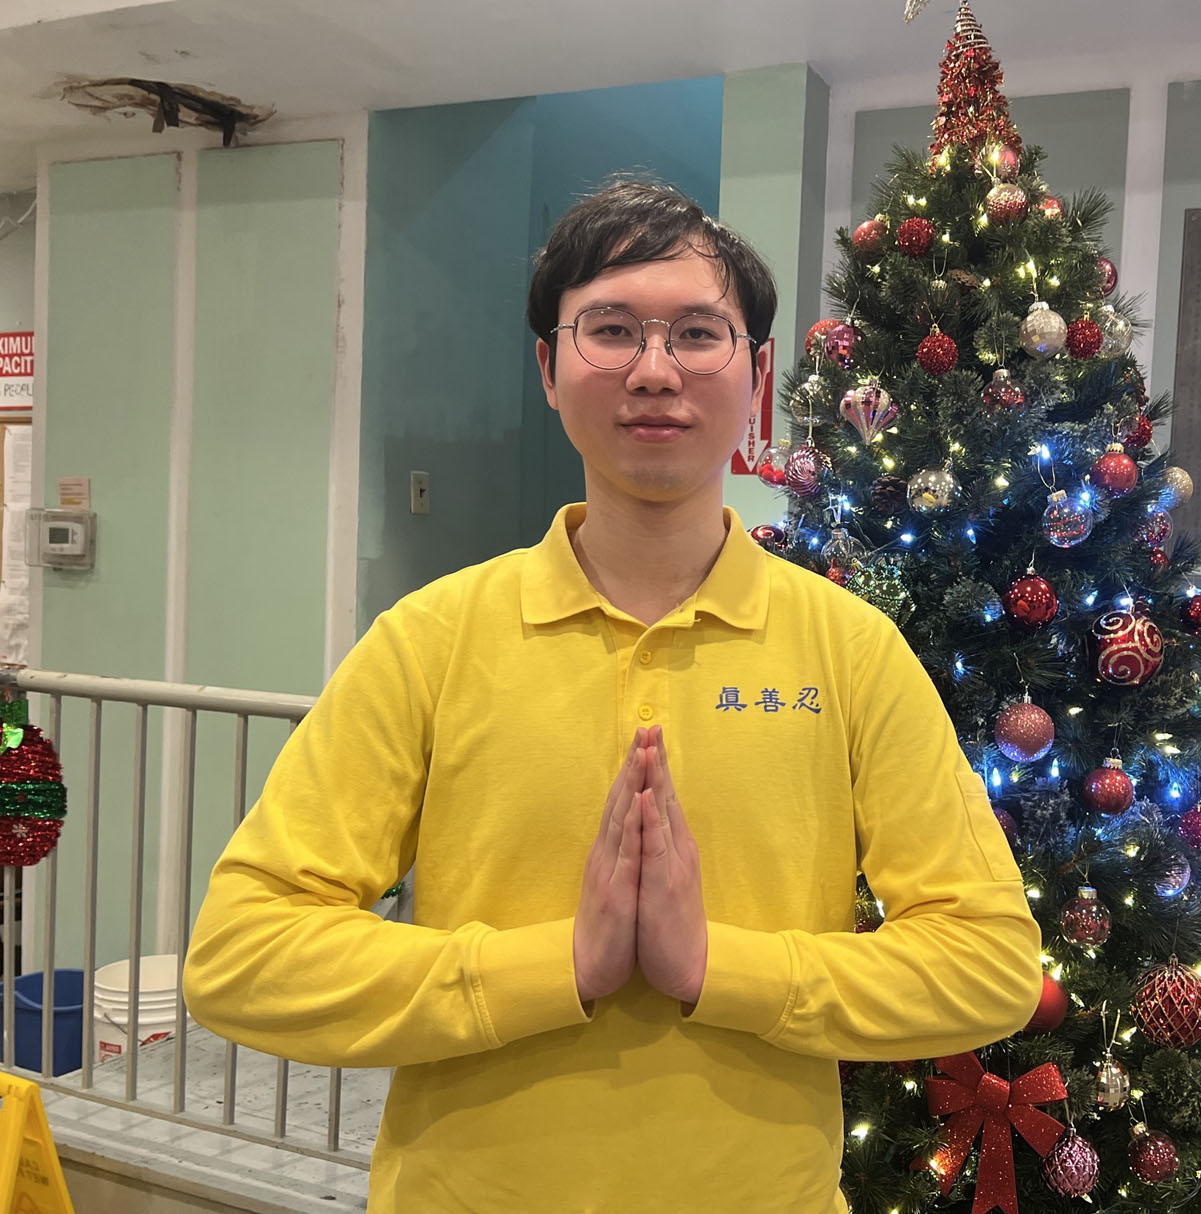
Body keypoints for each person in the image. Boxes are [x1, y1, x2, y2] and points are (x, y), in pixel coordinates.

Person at [184, 179, 1042, 1214]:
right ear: (548, 369)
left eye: (698, 333)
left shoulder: (850, 651)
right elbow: (242, 955)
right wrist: (561, 967)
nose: (654, 370)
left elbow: (988, 963)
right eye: (610, 330)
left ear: (759, 379)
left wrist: (716, 967)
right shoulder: (431, 640)